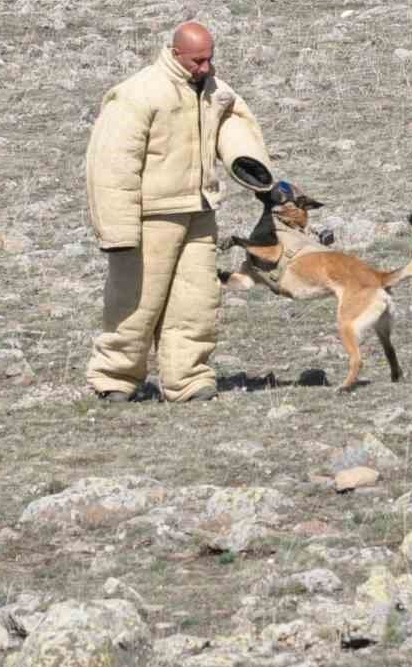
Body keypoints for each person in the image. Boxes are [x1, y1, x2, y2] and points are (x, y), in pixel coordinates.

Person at [84, 21, 273, 403]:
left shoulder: (214, 90)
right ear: (175, 53)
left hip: (198, 212)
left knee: (197, 302)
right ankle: (115, 379)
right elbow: (111, 163)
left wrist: (248, 163)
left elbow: (232, 124)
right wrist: (117, 231)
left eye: (209, 59)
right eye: (197, 61)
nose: (205, 67)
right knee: (135, 302)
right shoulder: (138, 94)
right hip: (151, 217)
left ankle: (188, 380)